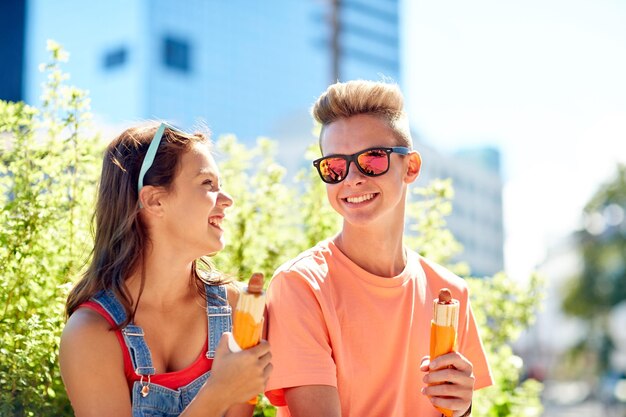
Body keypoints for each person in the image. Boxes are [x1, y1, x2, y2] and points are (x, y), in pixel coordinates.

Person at [265, 80, 493, 417]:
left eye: (372, 159)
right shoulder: (300, 286)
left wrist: (462, 409)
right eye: (335, 166)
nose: (352, 178)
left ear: (411, 167)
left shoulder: (451, 292)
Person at [59, 123, 272, 417]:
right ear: (155, 200)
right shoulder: (90, 334)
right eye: (207, 184)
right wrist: (219, 392)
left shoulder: (236, 307)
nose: (227, 200)